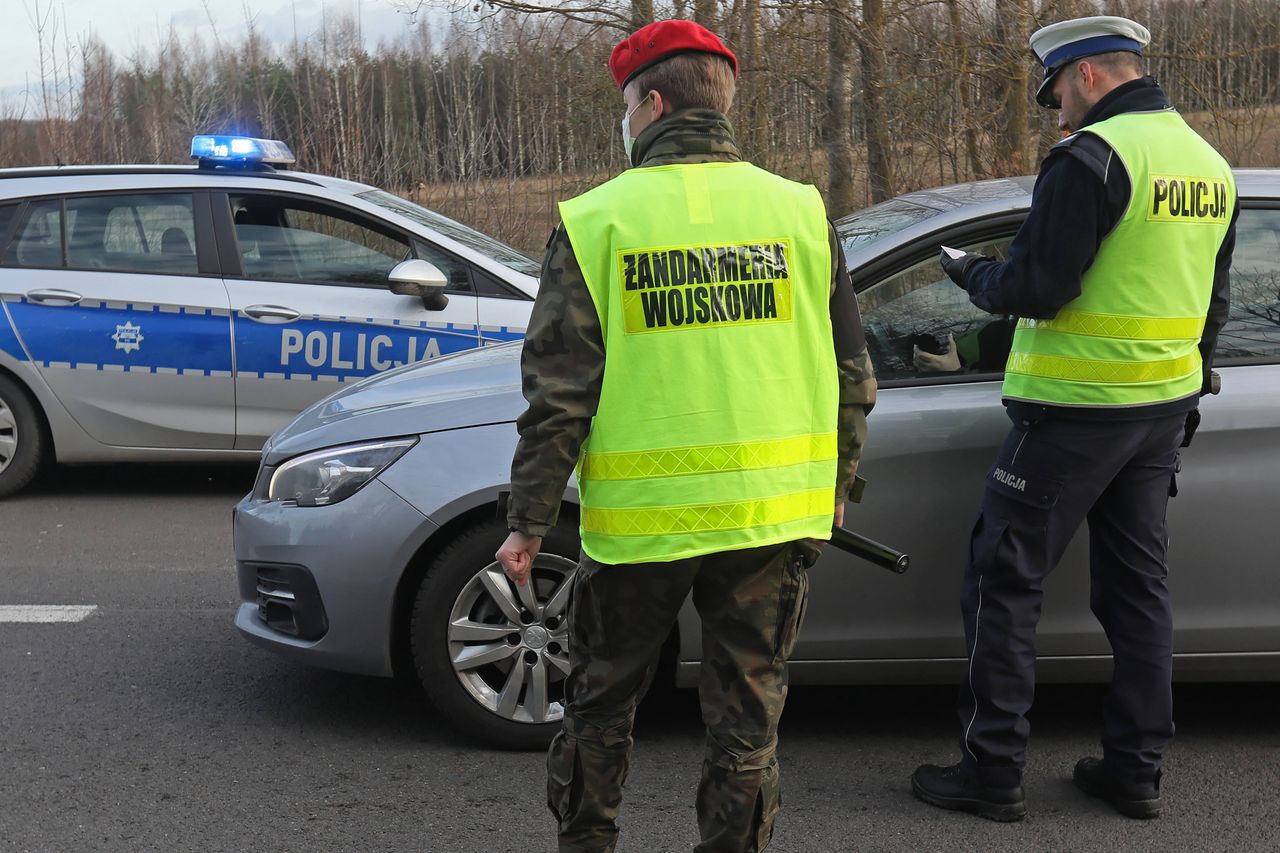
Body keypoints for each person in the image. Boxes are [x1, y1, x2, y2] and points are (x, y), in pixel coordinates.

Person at [494, 19, 876, 853]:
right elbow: (855, 375)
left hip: (643, 528)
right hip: (771, 523)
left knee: (599, 709)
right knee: (746, 730)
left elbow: (559, 391)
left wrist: (527, 520)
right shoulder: (801, 212)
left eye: (626, 107)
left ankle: (588, 842)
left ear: (652, 104)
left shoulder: (599, 221)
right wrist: (838, 486)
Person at [910, 15, 1238, 822]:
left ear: (1088, 75)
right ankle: (1135, 769)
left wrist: (969, 274)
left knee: (1002, 581)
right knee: (1138, 592)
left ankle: (991, 770)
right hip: (1159, 411)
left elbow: (1039, 287)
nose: (1054, 106)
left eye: (1055, 88)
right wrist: (1185, 390)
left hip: (1073, 415)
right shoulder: (1208, 165)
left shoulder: (1091, 156)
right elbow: (1210, 305)